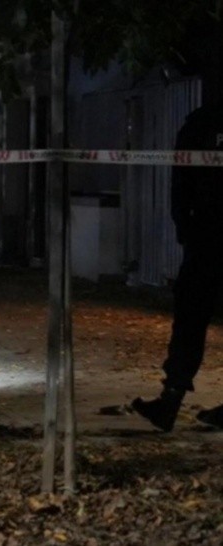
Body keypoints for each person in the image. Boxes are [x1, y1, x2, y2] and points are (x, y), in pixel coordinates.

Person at [133, 103, 223, 431]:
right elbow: (182, 174)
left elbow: (180, 178)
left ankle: (170, 401)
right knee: (190, 316)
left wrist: (185, 225)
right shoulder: (202, 122)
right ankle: (169, 402)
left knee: (190, 318)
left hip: (205, 237)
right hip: (204, 237)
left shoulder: (202, 121)